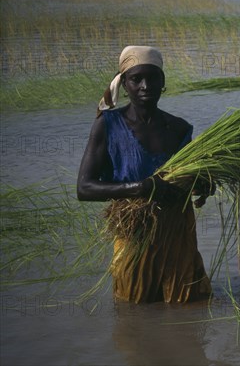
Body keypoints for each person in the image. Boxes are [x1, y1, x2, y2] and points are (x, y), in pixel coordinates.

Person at [77, 45, 212, 303]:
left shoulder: (179, 129)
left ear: (163, 82)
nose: (145, 86)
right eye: (136, 78)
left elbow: (189, 180)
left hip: (177, 232)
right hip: (134, 235)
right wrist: (139, 188)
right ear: (124, 84)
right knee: (132, 304)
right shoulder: (107, 125)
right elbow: (84, 188)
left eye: (152, 78)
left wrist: (202, 184)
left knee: (188, 306)